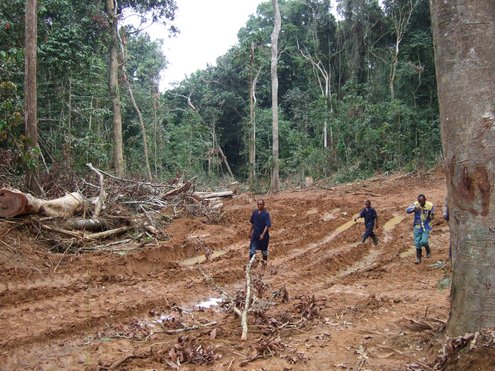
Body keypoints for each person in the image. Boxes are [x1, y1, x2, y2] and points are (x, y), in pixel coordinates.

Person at [406, 194, 435, 264]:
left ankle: (427, 249)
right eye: (419, 201)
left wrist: (429, 215)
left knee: (424, 241)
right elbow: (407, 210)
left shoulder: (430, 205)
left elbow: (432, 216)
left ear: (425, 200)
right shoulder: (416, 204)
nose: (420, 203)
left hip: (426, 225)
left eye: (422, 201)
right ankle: (418, 258)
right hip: (417, 225)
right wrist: (415, 208)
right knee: (417, 242)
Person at [249, 199, 271, 270]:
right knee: (252, 250)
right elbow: (252, 223)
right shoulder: (255, 213)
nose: (259, 206)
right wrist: (250, 232)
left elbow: (267, 225)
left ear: (263, 205)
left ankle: (264, 264)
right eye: (258, 204)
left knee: (264, 251)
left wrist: (263, 234)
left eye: (261, 204)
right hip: (255, 235)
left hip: (264, 237)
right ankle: (250, 265)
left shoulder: (266, 214)